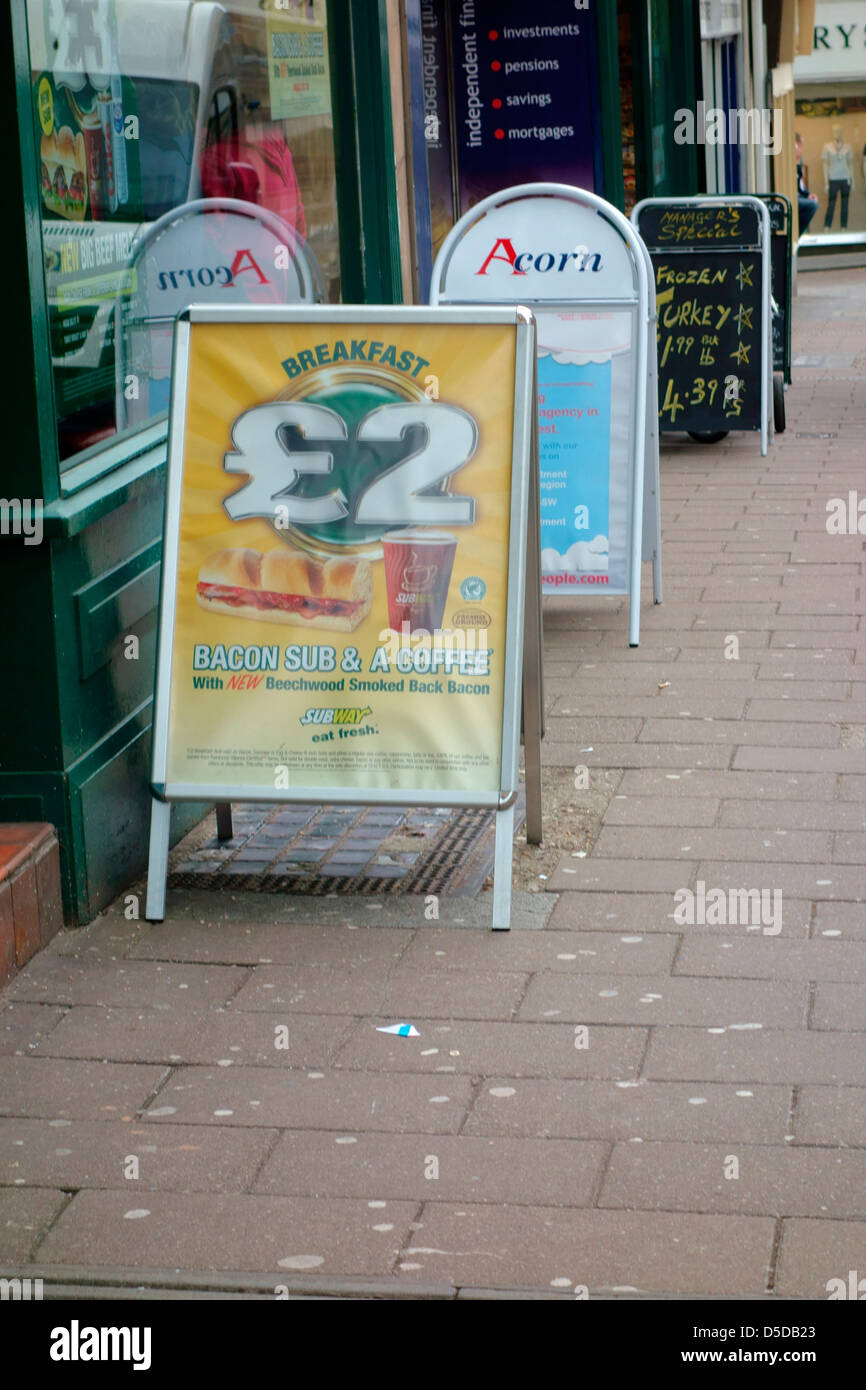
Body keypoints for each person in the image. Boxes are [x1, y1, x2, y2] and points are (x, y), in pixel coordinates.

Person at [821, 125, 853, 231]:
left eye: (839, 131)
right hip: (833, 178)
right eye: (835, 131)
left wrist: (852, 180)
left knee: (845, 204)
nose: (837, 133)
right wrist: (826, 182)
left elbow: (850, 164)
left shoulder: (847, 146)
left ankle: (844, 227)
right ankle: (827, 226)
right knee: (831, 203)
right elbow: (825, 164)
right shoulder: (827, 146)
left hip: (845, 178)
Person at [795, 132, 819, 235]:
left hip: (800, 196)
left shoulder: (797, 164)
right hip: (794, 197)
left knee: (812, 203)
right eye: (800, 146)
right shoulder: (791, 163)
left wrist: (808, 194)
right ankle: (795, 235)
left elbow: (801, 186)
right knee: (811, 205)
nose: (801, 150)